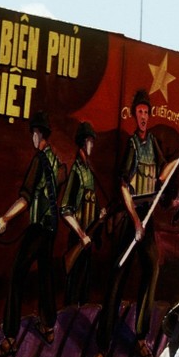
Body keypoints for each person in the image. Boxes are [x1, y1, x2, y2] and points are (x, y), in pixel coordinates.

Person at [90, 89, 179, 357]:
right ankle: (104, 344)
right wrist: (134, 222)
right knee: (118, 276)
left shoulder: (153, 145)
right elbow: (123, 186)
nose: (143, 117)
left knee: (151, 269)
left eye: (147, 112)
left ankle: (140, 336)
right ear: (135, 115)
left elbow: (161, 174)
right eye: (140, 113)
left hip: (148, 214)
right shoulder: (133, 145)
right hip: (130, 216)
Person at [0, 111, 65, 357]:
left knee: (16, 274)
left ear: (38, 134)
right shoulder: (56, 160)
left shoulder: (38, 161)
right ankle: (48, 327)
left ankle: (11, 337)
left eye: (33, 134)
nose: (32, 139)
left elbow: (25, 198)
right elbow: (61, 180)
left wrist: (5, 218)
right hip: (52, 228)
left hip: (37, 228)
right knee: (45, 276)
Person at [61, 121, 108, 306]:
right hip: (78, 240)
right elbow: (65, 209)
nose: (92, 145)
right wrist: (81, 235)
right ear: (83, 142)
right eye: (90, 141)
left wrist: (100, 216)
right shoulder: (77, 171)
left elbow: (90, 203)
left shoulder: (88, 171)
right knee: (73, 293)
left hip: (87, 241)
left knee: (84, 292)